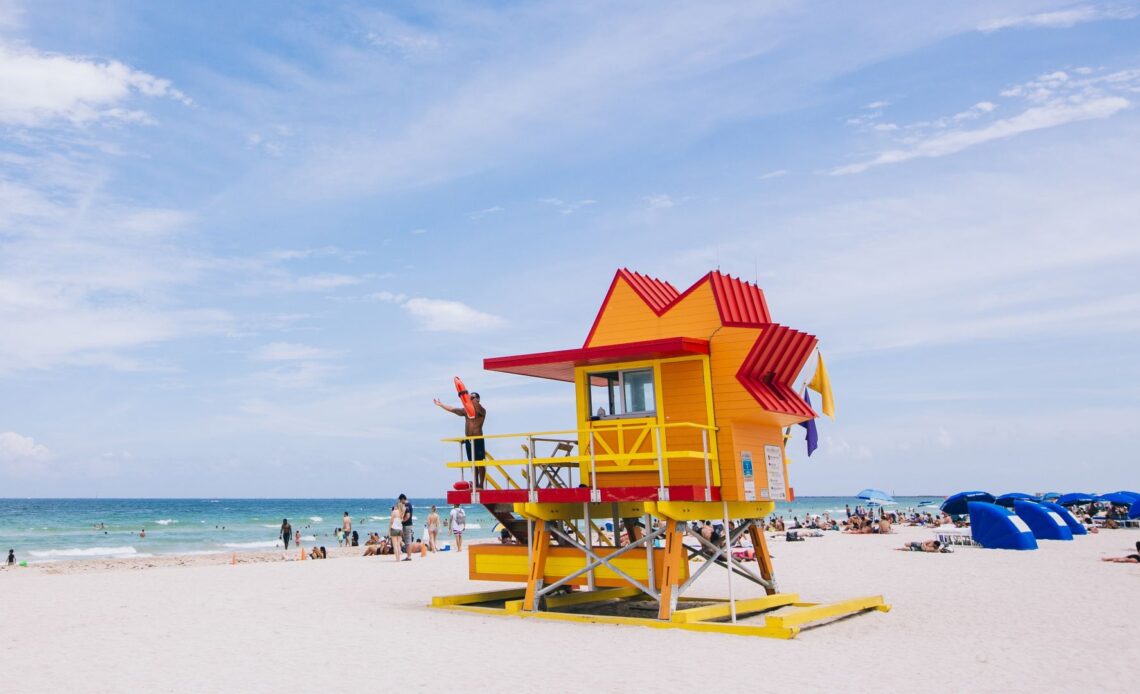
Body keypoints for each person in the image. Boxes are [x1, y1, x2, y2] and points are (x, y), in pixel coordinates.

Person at [434, 391, 487, 488]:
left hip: (478, 439)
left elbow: (477, 406)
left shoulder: (481, 411)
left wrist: (468, 397)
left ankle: (481, 484)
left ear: (478, 399)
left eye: (472, 397)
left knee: (480, 463)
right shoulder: (466, 411)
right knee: (473, 463)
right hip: (469, 440)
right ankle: (475, 484)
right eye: (469, 398)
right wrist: (440, 404)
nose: (470, 399)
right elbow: (453, 409)